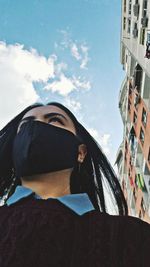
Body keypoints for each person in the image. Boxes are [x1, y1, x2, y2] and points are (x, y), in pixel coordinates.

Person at [0, 102, 149, 267]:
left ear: (80, 152)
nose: (36, 127)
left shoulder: (131, 236)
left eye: (55, 120)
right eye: (26, 125)